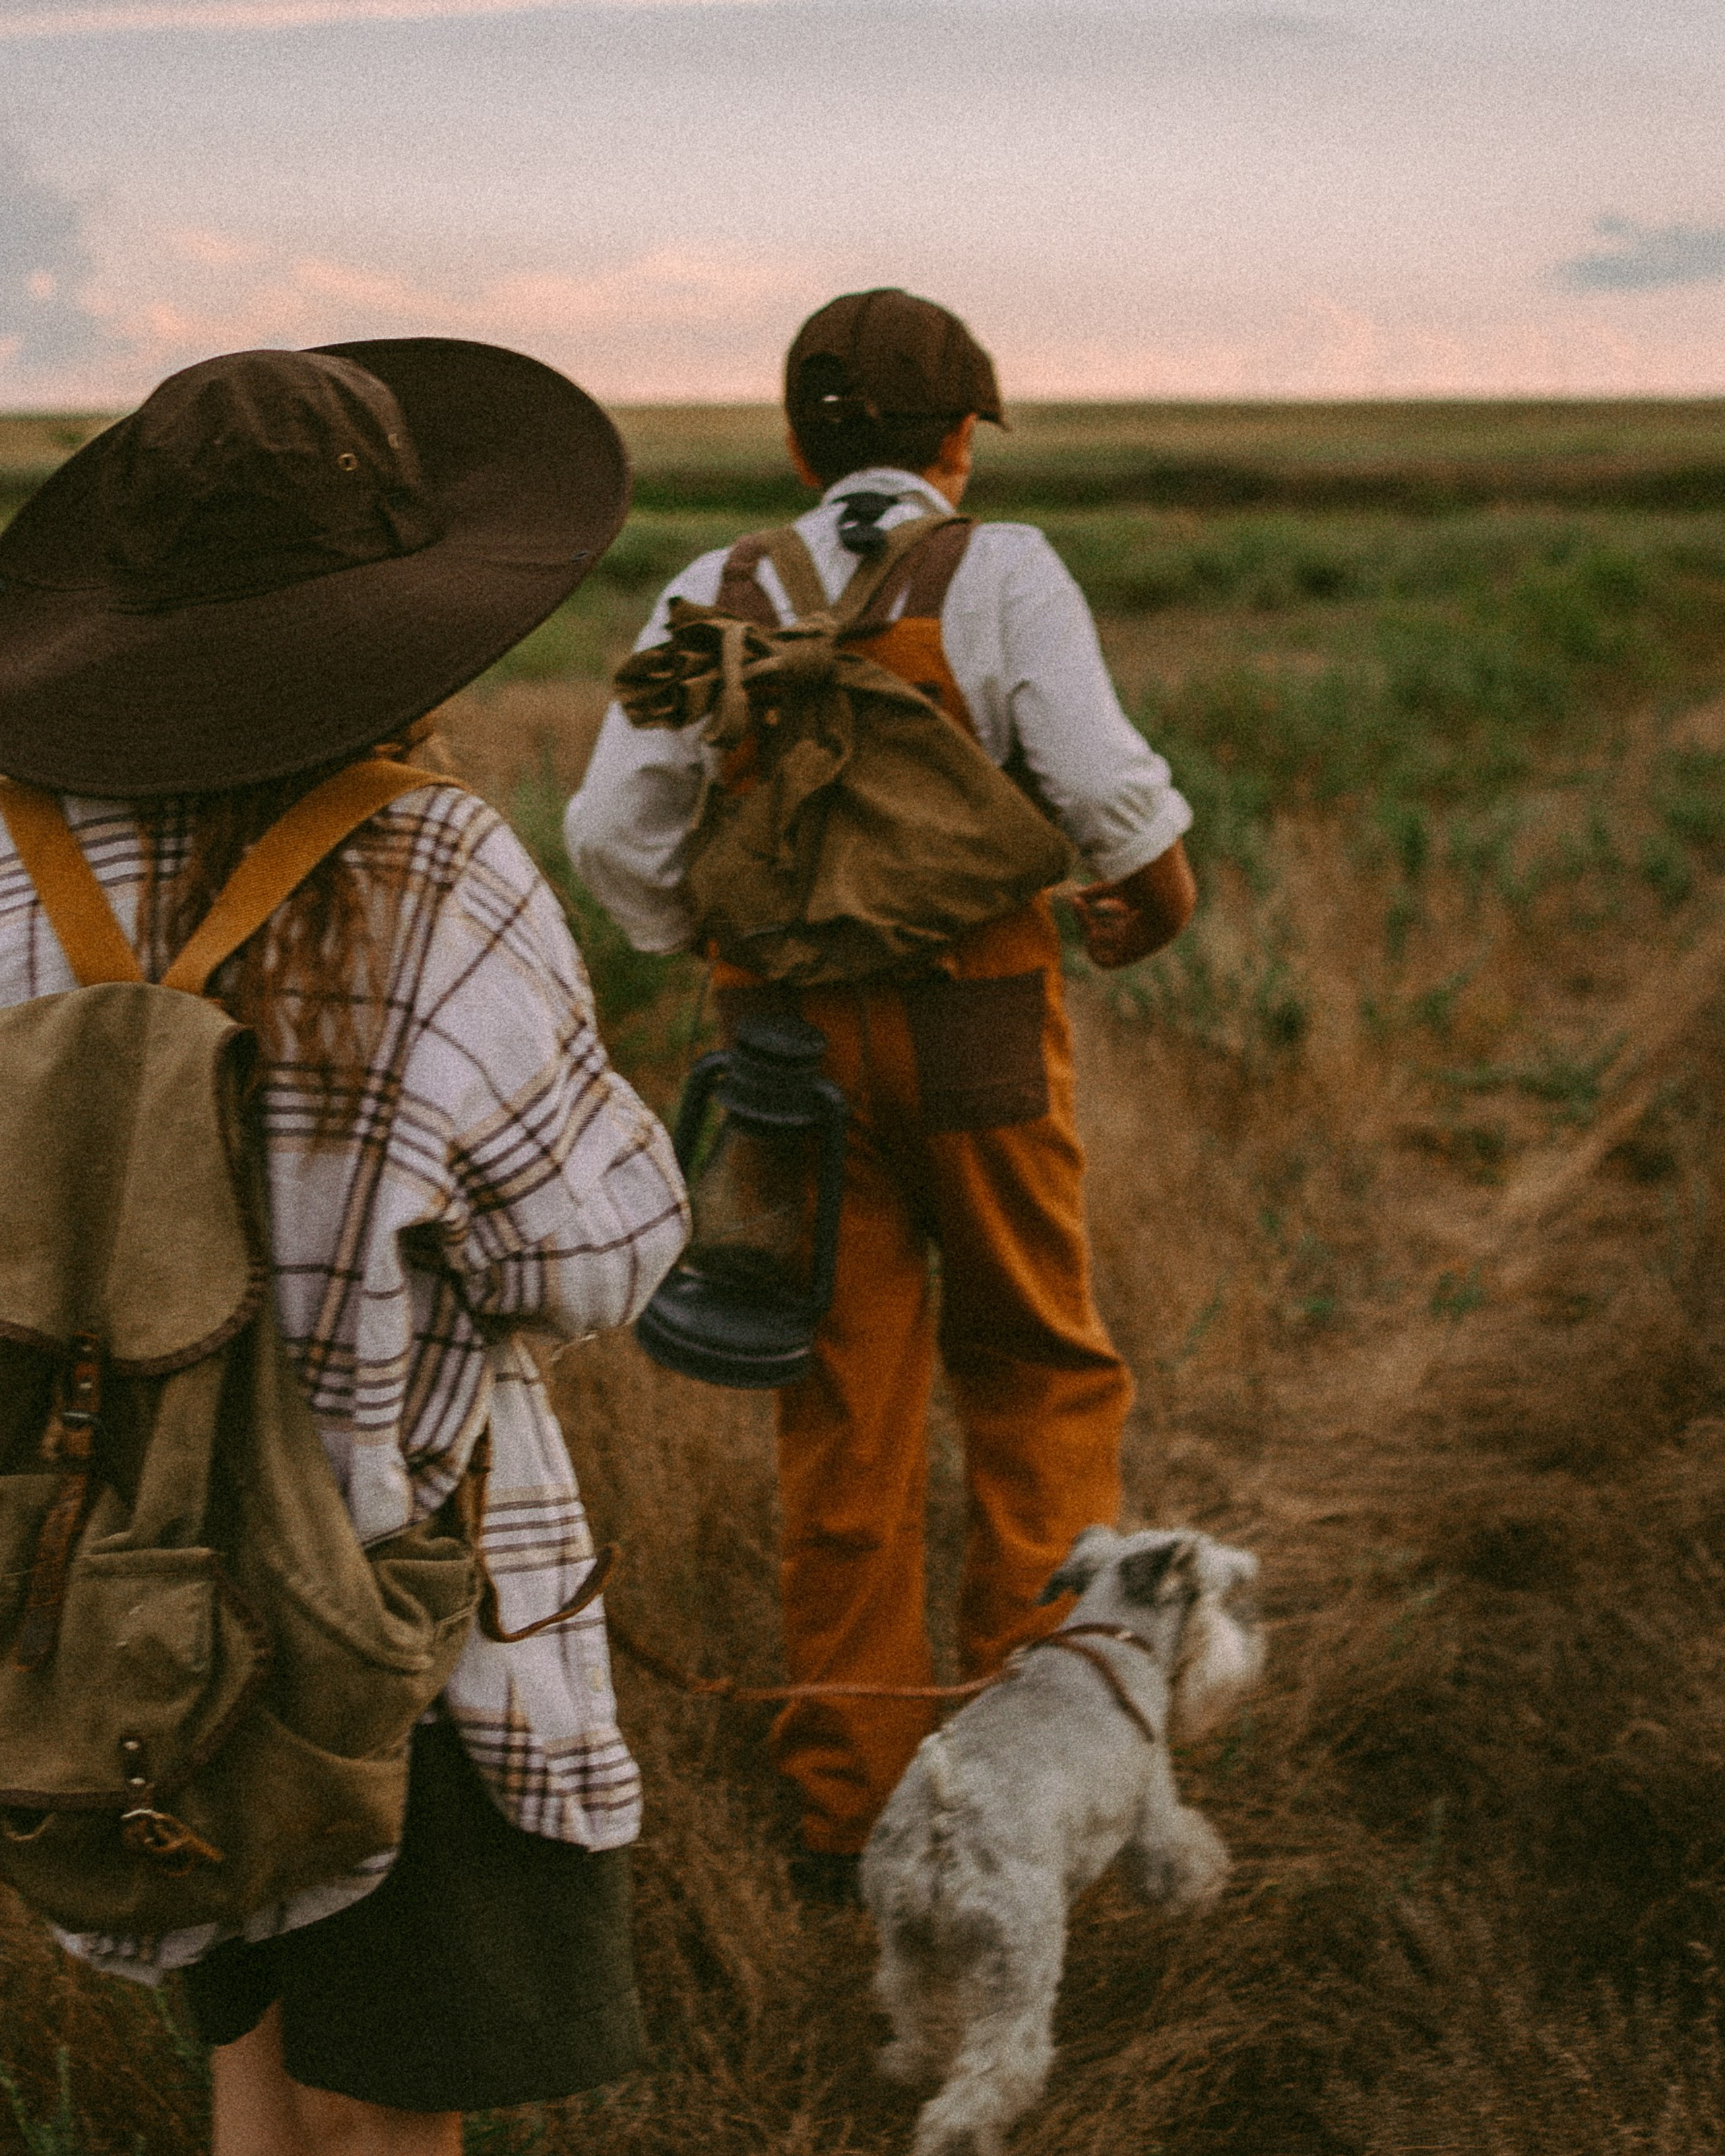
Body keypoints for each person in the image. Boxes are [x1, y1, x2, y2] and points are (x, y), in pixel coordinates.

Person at [0, 340, 689, 2153]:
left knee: (253, 2083)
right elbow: (598, 1256)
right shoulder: (436, 868)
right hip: (392, 1620)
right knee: (388, 2121)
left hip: (110, 1613)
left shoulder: (6, 867)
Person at [566, 288, 1197, 1896]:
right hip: (979, 1028)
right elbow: (1103, 781)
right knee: (1038, 1375)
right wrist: (1154, 893)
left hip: (783, 1059)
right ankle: (1018, 1794)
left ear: (793, 440)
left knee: (840, 1413)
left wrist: (703, 936)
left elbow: (611, 836)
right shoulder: (1004, 570)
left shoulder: (711, 588)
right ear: (960, 440)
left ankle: (846, 1808)